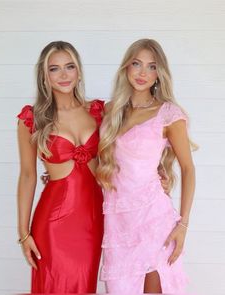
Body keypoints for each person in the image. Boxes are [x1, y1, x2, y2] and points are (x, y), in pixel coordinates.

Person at [97, 39, 196, 294]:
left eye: (151, 67)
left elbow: (188, 169)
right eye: (137, 64)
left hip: (154, 222)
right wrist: (55, 170)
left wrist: (182, 226)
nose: (142, 73)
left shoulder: (168, 114)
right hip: (118, 225)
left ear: (159, 74)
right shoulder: (110, 111)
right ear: (126, 68)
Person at [16, 41, 104, 293]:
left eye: (70, 67)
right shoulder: (32, 119)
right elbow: (27, 176)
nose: (64, 75)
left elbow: (123, 154)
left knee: (84, 285)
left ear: (79, 71)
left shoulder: (98, 112)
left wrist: (159, 171)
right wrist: (24, 233)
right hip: (53, 223)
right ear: (44, 75)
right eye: (54, 69)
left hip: (92, 220)